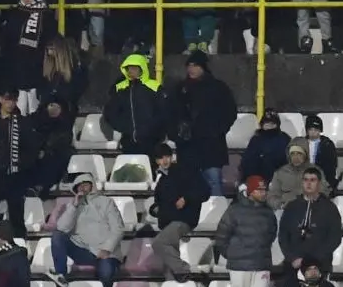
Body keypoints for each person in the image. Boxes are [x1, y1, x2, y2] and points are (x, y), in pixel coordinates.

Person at [166, 51, 237, 196]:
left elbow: (229, 112)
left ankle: (216, 215)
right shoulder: (179, 89)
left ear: (203, 67)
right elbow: (170, 114)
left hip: (211, 146)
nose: (191, 69)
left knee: (213, 181)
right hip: (187, 147)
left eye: (195, 65)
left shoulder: (218, 88)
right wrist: (176, 134)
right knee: (188, 184)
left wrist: (217, 131)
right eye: (189, 66)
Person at [0, 88, 39, 238]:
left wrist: (21, 164)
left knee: (17, 217)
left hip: (14, 175)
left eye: (14, 100)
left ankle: (20, 250)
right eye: (7, 99)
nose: (11, 103)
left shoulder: (23, 123)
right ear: (0, 99)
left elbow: (31, 148)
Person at [213, 176, 276, 287]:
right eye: (259, 190)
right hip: (239, 266)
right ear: (250, 191)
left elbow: (271, 234)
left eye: (264, 190)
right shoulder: (234, 210)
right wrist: (231, 254)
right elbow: (221, 236)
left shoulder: (268, 212)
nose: (263, 193)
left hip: (261, 265)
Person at [50, 172, 124, 287]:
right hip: (82, 250)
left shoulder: (107, 202)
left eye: (85, 184)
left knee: (106, 273)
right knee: (57, 236)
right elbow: (61, 228)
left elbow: (118, 228)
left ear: (92, 185)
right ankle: (61, 275)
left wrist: (107, 249)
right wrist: (74, 206)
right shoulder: (74, 204)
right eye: (79, 186)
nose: (82, 188)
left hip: (105, 251)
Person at [150, 142, 209, 280]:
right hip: (168, 223)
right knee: (169, 268)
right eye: (160, 158)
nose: (164, 161)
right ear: (156, 160)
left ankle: (186, 270)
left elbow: (204, 191)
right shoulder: (162, 180)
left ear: (172, 156)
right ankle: (178, 286)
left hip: (183, 219)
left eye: (166, 156)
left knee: (159, 243)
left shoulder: (186, 170)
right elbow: (159, 203)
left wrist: (186, 198)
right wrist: (155, 209)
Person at [0, 0, 56, 115]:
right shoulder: (13, 12)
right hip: (16, 64)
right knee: (20, 106)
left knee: (35, 106)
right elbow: (6, 39)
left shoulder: (45, 13)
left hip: (37, 65)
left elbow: (51, 36)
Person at [278, 170, 342, 272]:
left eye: (312, 180)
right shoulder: (292, 206)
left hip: (320, 264)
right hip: (294, 264)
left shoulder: (329, 208)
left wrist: (313, 259)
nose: (308, 183)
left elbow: (335, 237)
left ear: (319, 183)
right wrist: (292, 257)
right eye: (305, 180)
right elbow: (283, 235)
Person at [102, 53, 163, 157]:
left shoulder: (154, 87)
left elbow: (164, 112)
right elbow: (110, 112)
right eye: (129, 68)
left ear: (142, 69)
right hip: (128, 142)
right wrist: (124, 127)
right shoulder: (120, 88)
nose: (131, 71)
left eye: (134, 68)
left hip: (152, 141)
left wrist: (154, 129)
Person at [239, 109, 290, 184]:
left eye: (272, 123)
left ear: (277, 124)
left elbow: (288, 160)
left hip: (279, 180)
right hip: (257, 180)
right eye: (266, 123)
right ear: (262, 124)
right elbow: (247, 160)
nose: (269, 125)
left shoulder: (284, 138)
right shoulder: (256, 139)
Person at [304, 113, 339, 191]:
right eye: (310, 129)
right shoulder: (300, 143)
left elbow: (331, 166)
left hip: (322, 180)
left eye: (316, 130)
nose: (313, 132)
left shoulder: (327, 144)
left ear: (320, 130)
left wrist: (328, 182)